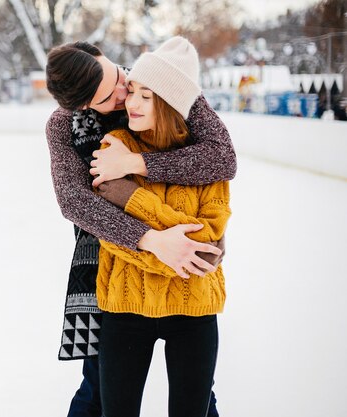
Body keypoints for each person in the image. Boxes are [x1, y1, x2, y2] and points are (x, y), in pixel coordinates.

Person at [45, 41, 236, 417]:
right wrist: (149, 240)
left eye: (118, 74)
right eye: (107, 97)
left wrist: (137, 163)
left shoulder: (159, 81)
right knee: (99, 386)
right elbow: (75, 202)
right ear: (83, 107)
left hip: (184, 258)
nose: (123, 92)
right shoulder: (63, 125)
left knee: (197, 392)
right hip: (107, 253)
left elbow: (221, 157)